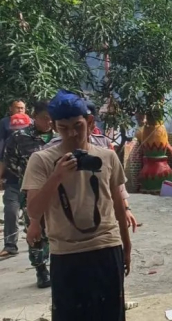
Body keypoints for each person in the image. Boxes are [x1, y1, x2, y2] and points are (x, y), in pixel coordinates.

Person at [22, 90, 131, 321]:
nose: (71, 134)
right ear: (54, 126)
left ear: (90, 122)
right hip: (65, 252)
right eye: (64, 127)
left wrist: (126, 246)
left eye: (78, 127)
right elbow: (34, 210)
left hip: (105, 245)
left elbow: (118, 202)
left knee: (110, 320)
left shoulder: (107, 157)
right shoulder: (41, 160)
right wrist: (57, 176)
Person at [44, 101, 138, 232]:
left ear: (91, 122)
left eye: (79, 124)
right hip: (65, 220)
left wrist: (126, 208)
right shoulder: (51, 149)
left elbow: (116, 184)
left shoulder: (103, 144)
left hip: (102, 220)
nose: (74, 132)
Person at [3, 101, 54, 286]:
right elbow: (10, 162)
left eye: (51, 119)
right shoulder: (20, 137)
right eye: (44, 118)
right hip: (33, 191)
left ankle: (58, 265)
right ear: (35, 116)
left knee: (58, 229)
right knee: (35, 230)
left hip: (59, 193)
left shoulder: (60, 136)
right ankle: (41, 269)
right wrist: (29, 176)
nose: (49, 122)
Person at [0, 110, 32, 258]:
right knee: (11, 211)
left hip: (33, 184)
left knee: (34, 216)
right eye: (15, 129)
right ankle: (10, 245)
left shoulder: (37, 140)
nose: (18, 132)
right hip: (13, 182)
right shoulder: (8, 143)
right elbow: (3, 161)